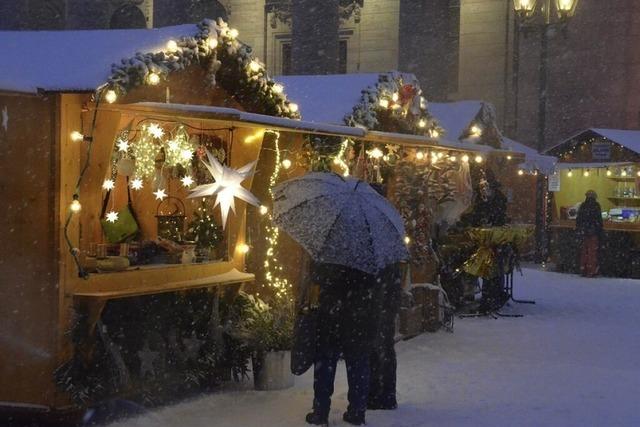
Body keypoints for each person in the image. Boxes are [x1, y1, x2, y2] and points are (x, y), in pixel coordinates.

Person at [305, 263, 377, 426]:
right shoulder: (366, 255)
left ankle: (320, 412)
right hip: (358, 319)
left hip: (331, 318)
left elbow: (317, 277)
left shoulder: (330, 251)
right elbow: (373, 284)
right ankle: (357, 412)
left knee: (325, 366)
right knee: (358, 366)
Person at [368, 262, 403, 410]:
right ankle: (384, 394)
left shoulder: (379, 261)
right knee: (382, 351)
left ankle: (379, 394)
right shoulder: (389, 258)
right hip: (383, 308)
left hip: (380, 309)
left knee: (380, 352)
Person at [576, 190, 603, 277]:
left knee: (584, 251)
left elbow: (579, 219)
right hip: (593, 232)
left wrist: (580, 229)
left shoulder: (583, 206)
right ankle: (591, 270)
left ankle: (583, 269)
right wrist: (599, 230)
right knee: (592, 252)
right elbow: (599, 220)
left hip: (584, 232)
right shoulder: (596, 206)